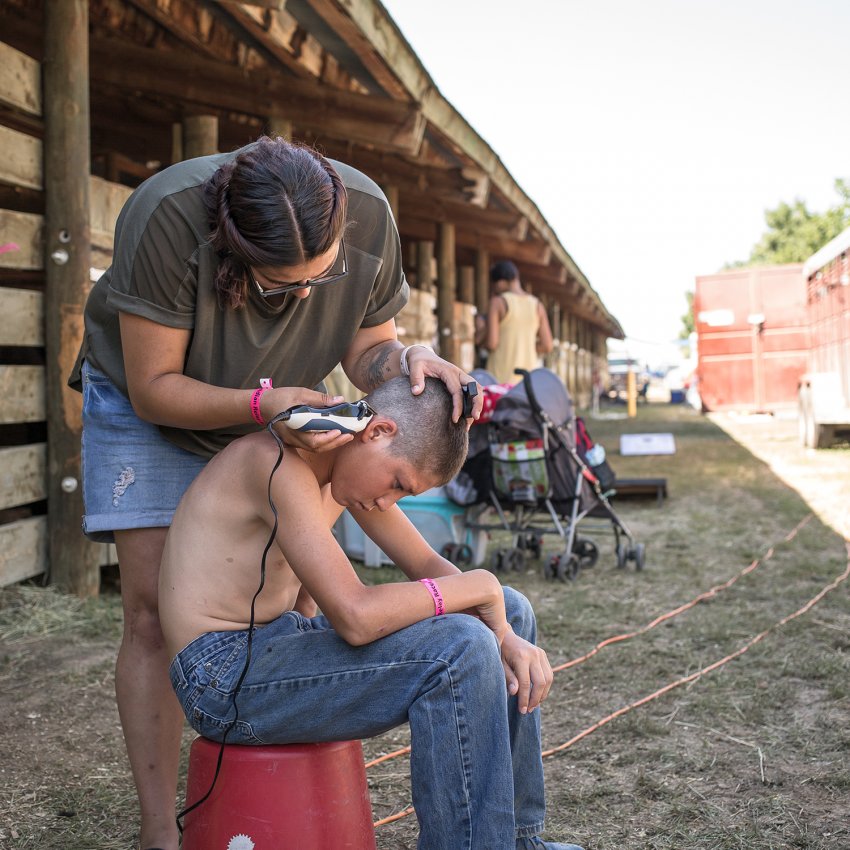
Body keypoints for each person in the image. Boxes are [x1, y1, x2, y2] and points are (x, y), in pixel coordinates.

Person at [68, 135, 483, 850]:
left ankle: (286, 769)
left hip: (278, 400)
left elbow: (368, 352)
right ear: (232, 252)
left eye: (316, 284)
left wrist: (409, 359)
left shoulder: (370, 219)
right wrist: (264, 406)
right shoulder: (165, 217)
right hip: (159, 394)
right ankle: (159, 830)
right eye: (278, 287)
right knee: (147, 616)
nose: (300, 301)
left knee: (289, 597)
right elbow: (156, 387)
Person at [160, 376, 584, 850]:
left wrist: (498, 614)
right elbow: (355, 617)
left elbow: (427, 566)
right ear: (377, 431)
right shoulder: (273, 463)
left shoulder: (348, 469)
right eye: (398, 483)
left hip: (280, 643)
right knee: (460, 648)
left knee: (512, 607)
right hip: (221, 677)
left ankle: (517, 840)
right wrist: (479, 588)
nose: (388, 502)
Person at [485, 260, 554, 385]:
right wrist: (525, 346)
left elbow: (492, 343)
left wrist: (479, 337)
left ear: (500, 282)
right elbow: (547, 345)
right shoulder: (537, 305)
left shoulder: (498, 302)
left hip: (500, 377)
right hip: (527, 381)